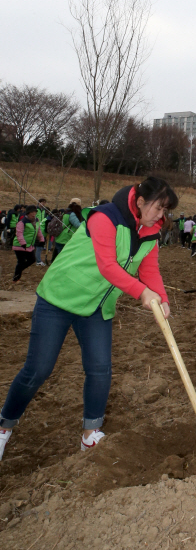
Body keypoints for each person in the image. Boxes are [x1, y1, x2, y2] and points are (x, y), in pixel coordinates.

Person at [0, 176, 176, 463]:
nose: (161, 215)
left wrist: (161, 298)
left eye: (165, 210)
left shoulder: (152, 232)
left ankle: (90, 435)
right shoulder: (105, 217)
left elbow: (150, 269)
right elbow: (108, 266)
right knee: (39, 369)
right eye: (159, 208)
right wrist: (142, 293)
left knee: (100, 369)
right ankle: (4, 426)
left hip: (96, 307)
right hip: (60, 299)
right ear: (141, 202)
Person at [12, 207, 45, 283]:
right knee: (21, 261)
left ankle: (18, 271)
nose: (34, 214)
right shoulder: (22, 222)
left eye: (35, 212)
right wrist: (22, 243)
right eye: (32, 212)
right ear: (28, 213)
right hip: (19, 245)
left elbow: (38, 231)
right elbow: (19, 233)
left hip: (29, 245)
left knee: (32, 260)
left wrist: (42, 240)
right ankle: (16, 278)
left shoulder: (36, 220)